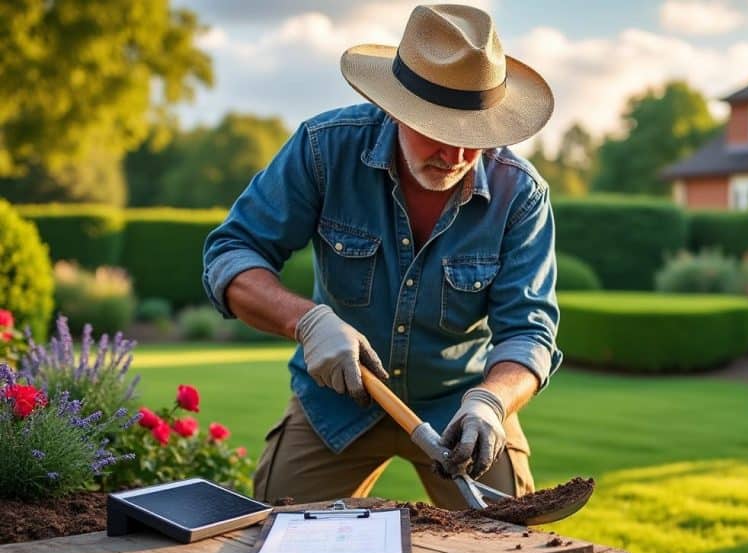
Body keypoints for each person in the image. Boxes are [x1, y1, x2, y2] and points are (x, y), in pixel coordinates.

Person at [202, 3, 562, 508]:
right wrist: (307, 323)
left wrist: (491, 401)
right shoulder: (324, 151)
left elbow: (528, 331)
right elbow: (231, 255)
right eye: (439, 131)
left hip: (460, 411)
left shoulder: (520, 194)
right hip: (336, 405)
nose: (456, 157)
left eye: (474, 140)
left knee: (510, 547)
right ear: (397, 108)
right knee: (276, 540)